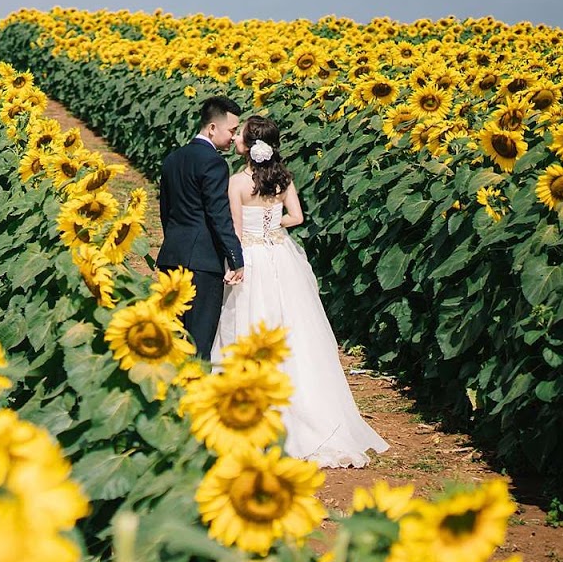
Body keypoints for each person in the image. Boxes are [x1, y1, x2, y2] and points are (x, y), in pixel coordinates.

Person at [212, 115, 389, 468]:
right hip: (280, 254)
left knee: (250, 327)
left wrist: (240, 250)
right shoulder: (282, 179)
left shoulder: (236, 183)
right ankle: (309, 410)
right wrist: (271, 223)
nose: (235, 141)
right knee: (294, 329)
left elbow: (233, 230)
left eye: (240, 136)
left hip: (252, 256)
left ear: (250, 145)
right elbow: (297, 218)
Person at [156, 96, 246, 359]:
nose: (233, 137)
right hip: (203, 264)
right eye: (231, 131)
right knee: (198, 342)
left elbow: (166, 211)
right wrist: (235, 256)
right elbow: (219, 215)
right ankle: (193, 397)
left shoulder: (173, 158)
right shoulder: (214, 162)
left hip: (172, 255)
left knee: (172, 337)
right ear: (212, 128)